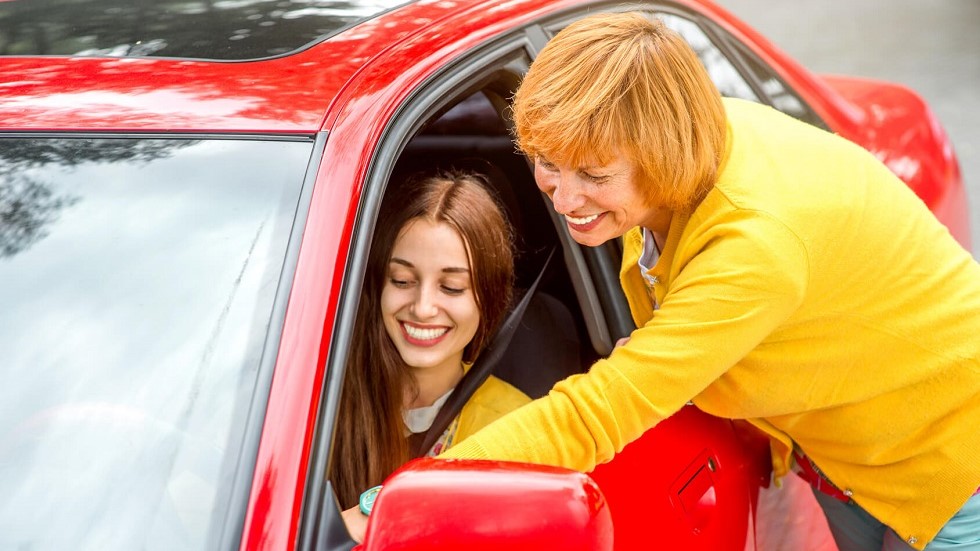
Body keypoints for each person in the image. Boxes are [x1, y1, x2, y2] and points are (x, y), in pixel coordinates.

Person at [438, 12, 980, 551]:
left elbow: (598, 412)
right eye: (546, 162)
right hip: (846, 455)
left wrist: (427, 488)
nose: (563, 198)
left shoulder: (754, 243)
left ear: (662, 156)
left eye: (594, 176)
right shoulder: (686, 142)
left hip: (947, 464)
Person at [331, 171, 530, 535]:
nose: (423, 308)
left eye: (451, 287)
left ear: (489, 298)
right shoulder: (323, 405)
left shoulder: (518, 423)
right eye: (402, 281)